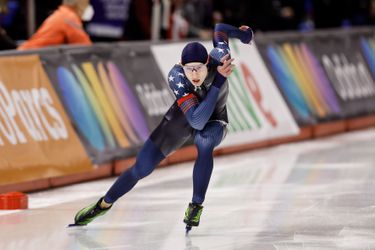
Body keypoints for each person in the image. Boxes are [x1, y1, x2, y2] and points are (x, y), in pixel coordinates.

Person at [71, 23, 253, 233]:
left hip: (216, 119)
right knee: (141, 167)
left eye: (200, 68)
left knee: (204, 140)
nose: (194, 74)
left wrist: (244, 34)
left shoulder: (220, 57)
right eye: (189, 69)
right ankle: (103, 204)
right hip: (188, 116)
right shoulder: (177, 76)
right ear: (181, 66)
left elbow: (220, 29)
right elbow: (195, 121)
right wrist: (219, 80)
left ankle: (196, 205)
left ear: (208, 63)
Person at [17, 0, 92, 50]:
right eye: (87, 3)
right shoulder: (69, 17)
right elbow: (85, 46)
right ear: (80, 4)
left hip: (28, 55)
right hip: (26, 58)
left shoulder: (63, 13)